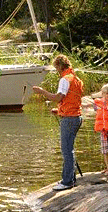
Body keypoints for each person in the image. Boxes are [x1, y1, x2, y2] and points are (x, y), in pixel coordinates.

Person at [32, 54, 83, 191]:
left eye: (56, 68)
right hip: (76, 116)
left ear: (60, 66)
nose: (56, 70)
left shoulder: (65, 79)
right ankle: (70, 178)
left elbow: (58, 97)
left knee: (66, 150)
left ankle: (67, 182)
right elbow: (71, 99)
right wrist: (60, 110)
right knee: (69, 149)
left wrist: (42, 92)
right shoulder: (76, 78)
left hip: (69, 118)